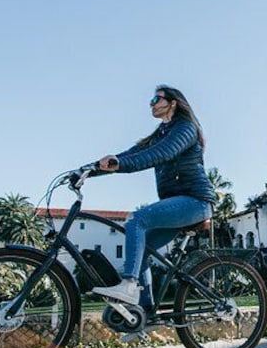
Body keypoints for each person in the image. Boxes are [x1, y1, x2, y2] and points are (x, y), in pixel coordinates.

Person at [91, 85, 216, 307]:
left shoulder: (186, 128)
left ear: (173, 103)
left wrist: (120, 163)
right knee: (142, 250)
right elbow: (131, 155)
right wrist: (87, 171)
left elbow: (160, 154)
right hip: (176, 205)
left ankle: (129, 284)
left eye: (155, 99)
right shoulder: (160, 134)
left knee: (136, 219)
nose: (151, 104)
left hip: (196, 202)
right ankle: (145, 315)